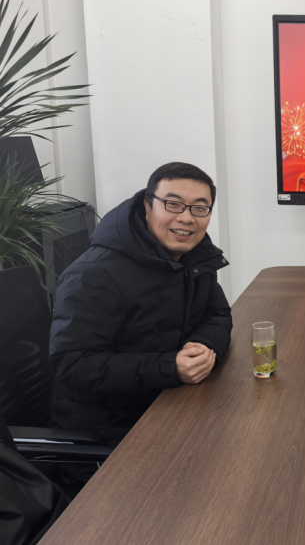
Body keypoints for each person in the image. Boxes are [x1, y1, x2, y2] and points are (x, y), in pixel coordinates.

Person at [49, 163, 232, 454]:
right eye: (173, 204)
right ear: (147, 205)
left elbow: (217, 313)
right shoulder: (93, 274)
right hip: (110, 435)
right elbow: (73, 365)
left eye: (200, 208)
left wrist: (202, 345)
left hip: (172, 405)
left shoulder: (194, 255)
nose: (186, 218)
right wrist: (170, 368)